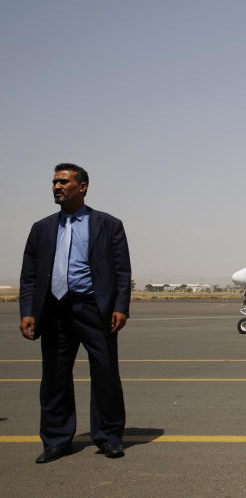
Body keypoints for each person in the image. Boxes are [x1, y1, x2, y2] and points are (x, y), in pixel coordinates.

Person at [19, 163, 131, 463]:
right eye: (54, 182)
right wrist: (28, 310)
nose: (57, 187)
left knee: (105, 373)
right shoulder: (41, 228)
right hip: (54, 310)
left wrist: (120, 307)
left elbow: (122, 272)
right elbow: (29, 275)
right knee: (54, 377)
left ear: (82, 187)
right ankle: (56, 440)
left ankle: (109, 436)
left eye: (63, 182)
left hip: (95, 308)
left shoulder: (108, 225)